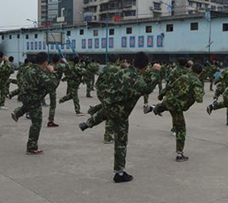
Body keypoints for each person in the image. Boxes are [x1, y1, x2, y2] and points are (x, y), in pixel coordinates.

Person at [79, 52, 160, 183]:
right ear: (145, 66)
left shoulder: (121, 72)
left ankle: (88, 123)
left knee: (105, 112)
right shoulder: (137, 80)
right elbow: (147, 89)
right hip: (121, 113)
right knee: (121, 143)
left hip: (110, 104)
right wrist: (156, 73)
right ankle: (120, 173)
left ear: (133, 61)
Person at [144, 63, 205, 162]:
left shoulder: (183, 76)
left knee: (164, 106)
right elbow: (199, 99)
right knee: (181, 129)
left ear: (191, 69)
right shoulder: (196, 82)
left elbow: (170, 85)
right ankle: (179, 154)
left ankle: (152, 107)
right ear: (200, 72)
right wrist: (200, 92)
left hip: (169, 100)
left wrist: (161, 93)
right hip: (177, 106)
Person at [11, 52, 58, 155]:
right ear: (45, 62)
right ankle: (32, 147)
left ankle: (17, 112)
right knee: (36, 123)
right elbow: (52, 85)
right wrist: (52, 72)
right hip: (34, 99)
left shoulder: (29, 68)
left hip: (25, 96)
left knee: (27, 106)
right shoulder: (40, 73)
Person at [47, 55, 64, 127]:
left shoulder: (48, 65)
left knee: (37, 99)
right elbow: (60, 75)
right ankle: (50, 121)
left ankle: (27, 112)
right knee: (53, 104)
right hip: (53, 86)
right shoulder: (59, 66)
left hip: (45, 83)